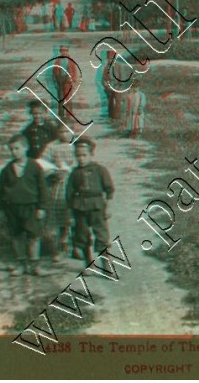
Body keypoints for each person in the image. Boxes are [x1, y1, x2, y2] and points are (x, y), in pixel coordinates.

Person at [0, 135, 49, 276]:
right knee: (16, 236)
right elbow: (1, 190)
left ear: (26, 148)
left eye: (17, 148)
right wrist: (1, 209)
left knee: (33, 236)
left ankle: (34, 265)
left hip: (31, 207)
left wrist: (41, 207)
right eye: (11, 149)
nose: (14, 152)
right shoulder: (6, 170)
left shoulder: (35, 167)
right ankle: (21, 264)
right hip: (12, 208)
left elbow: (42, 188)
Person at [66, 137, 114, 265]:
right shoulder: (74, 173)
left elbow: (109, 190)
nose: (81, 158)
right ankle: (87, 263)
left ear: (91, 154)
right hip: (80, 208)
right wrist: (70, 214)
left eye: (84, 155)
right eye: (78, 156)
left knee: (102, 235)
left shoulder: (100, 170)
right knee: (82, 235)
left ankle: (106, 264)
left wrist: (108, 207)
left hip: (97, 206)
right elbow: (69, 195)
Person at [40, 127, 76, 262]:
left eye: (67, 131)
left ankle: (73, 245)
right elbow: (43, 164)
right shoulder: (51, 147)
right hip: (58, 185)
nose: (64, 134)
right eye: (61, 131)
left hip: (73, 183)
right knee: (59, 213)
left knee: (73, 214)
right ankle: (59, 246)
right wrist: (54, 173)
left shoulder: (76, 145)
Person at [52, 45, 79, 120]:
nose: (64, 52)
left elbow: (74, 72)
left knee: (68, 99)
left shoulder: (71, 61)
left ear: (68, 52)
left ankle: (69, 116)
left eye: (65, 51)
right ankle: (61, 116)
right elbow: (54, 73)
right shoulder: (57, 61)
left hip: (68, 81)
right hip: (59, 81)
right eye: (62, 51)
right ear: (60, 52)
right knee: (60, 99)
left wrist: (72, 80)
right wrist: (55, 82)